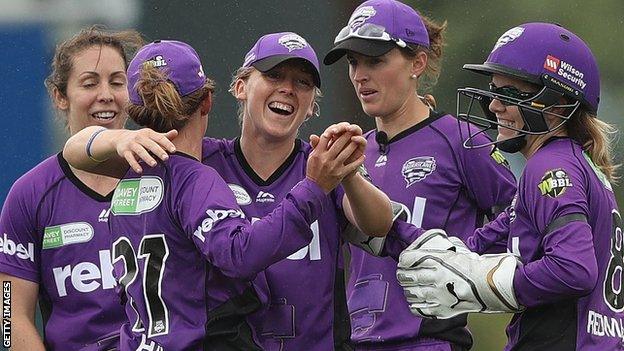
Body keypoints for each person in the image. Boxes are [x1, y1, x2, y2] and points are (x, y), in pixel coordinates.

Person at [63, 37, 391, 349]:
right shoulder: (196, 168)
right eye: (274, 74)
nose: (288, 88)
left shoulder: (138, 168)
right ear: (227, 93)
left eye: (303, 82)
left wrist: (346, 172)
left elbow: (381, 224)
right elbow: (241, 254)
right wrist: (314, 187)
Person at [397, 22, 622, 351]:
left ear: (558, 105)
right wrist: (392, 227)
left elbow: (574, 269)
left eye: (509, 93)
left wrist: (485, 284)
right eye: (494, 90)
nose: (493, 105)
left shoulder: (550, 167)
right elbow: (475, 247)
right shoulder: (571, 163)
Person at [324, 0, 517, 349]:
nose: (359, 75)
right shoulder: (353, 153)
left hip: (430, 341)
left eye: (375, 60)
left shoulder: (460, 140)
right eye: (354, 62)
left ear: (418, 63)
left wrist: (466, 258)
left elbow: (524, 217)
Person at [0, 27, 142, 350]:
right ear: (60, 96)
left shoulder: (164, 178)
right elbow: (8, 316)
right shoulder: (30, 195)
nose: (106, 94)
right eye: (90, 83)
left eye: (117, 82)